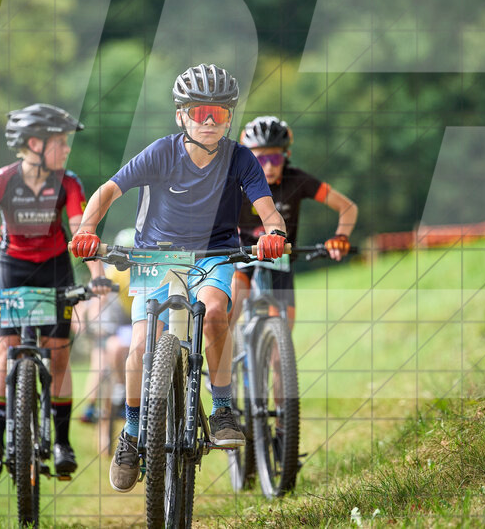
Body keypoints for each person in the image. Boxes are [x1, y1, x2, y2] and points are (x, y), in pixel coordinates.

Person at [68, 63, 288, 493]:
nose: (209, 121)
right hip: (156, 255)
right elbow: (109, 190)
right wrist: (86, 230)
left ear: (229, 118)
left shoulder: (239, 158)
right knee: (137, 349)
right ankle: (132, 433)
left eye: (220, 113)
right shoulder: (161, 153)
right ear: (180, 115)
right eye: (200, 111)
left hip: (215, 253)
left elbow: (267, 207)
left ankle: (222, 408)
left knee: (217, 314)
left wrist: (275, 232)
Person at [0, 103, 109, 480]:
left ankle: (62, 441)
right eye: (60, 142)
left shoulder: (69, 182)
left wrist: (97, 275)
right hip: (11, 269)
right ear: (34, 143)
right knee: (5, 348)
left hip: (55, 270)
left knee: (59, 355)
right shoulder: (0, 179)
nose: (66, 149)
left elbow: (82, 234)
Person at [231, 115, 358, 330]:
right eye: (261, 160)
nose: (269, 166)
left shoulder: (297, 180)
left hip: (281, 259)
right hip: (243, 257)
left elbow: (347, 207)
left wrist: (340, 237)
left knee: (282, 348)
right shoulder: (237, 182)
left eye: (276, 159)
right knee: (226, 318)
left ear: (286, 155)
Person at [76, 228, 135, 429]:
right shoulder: (115, 272)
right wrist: (89, 320)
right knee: (107, 352)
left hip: (139, 320)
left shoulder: (146, 270)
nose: (126, 261)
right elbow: (97, 296)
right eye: (123, 255)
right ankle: (116, 392)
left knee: (102, 358)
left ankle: (95, 404)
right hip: (123, 322)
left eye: (130, 253)